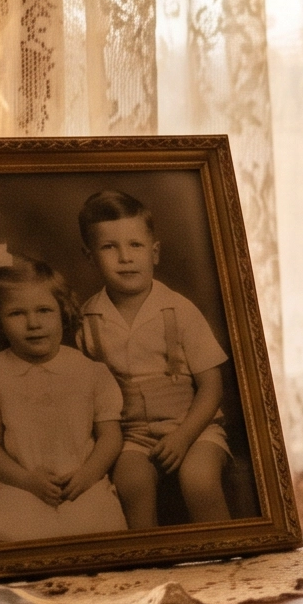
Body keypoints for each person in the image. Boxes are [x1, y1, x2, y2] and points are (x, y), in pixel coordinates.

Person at [75, 190, 237, 528]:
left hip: (193, 427)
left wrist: (182, 437)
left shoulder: (179, 310)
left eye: (135, 245)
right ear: (90, 258)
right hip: (131, 434)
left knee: (198, 478)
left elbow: (211, 386)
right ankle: (147, 565)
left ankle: (227, 556)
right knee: (131, 484)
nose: (125, 257)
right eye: (109, 247)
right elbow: (88, 396)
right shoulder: (88, 318)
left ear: (155, 252)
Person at [0, 247, 128, 546]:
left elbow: (110, 437)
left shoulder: (90, 373)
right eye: (16, 314)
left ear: (63, 312)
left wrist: (88, 475)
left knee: (96, 530)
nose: (33, 323)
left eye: (44, 311)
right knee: (14, 532)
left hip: (80, 479)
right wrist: (27, 481)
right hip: (15, 482)